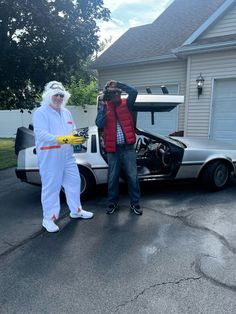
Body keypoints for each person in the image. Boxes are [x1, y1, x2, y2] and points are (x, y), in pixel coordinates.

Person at [33, 81, 94, 233]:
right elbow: (41, 135)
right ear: (48, 96)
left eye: (61, 95)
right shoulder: (40, 112)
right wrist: (66, 139)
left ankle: (76, 210)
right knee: (51, 187)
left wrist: (78, 138)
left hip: (67, 155)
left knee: (74, 182)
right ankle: (49, 218)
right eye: (55, 95)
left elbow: (72, 130)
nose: (58, 98)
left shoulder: (66, 112)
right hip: (50, 156)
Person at [95, 80, 142, 215]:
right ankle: (112, 203)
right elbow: (99, 123)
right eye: (112, 92)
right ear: (108, 95)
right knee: (113, 177)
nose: (115, 94)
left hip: (128, 148)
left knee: (132, 176)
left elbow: (134, 91)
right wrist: (103, 104)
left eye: (117, 92)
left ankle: (135, 203)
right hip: (113, 149)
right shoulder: (105, 107)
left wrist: (118, 84)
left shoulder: (126, 104)